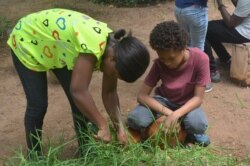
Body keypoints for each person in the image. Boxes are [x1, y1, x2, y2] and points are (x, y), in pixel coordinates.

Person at [7, 8, 150, 155]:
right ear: (112, 59)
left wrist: (120, 128)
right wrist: (102, 125)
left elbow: (110, 92)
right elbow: (78, 91)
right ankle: (34, 157)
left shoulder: (114, 51)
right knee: (38, 105)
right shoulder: (92, 47)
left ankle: (86, 152)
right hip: (28, 39)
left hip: (58, 45)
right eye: (115, 73)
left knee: (80, 104)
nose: (113, 76)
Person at [127, 21, 211, 147]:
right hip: (164, 101)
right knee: (135, 119)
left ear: (183, 48)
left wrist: (177, 114)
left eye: (171, 58)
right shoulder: (159, 64)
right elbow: (142, 96)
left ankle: (186, 129)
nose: (166, 63)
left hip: (187, 104)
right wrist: (169, 113)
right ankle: (165, 121)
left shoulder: (201, 59)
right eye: (162, 58)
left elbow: (198, 98)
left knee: (198, 124)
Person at [204, 0, 250, 83]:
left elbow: (230, 23)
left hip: (244, 33)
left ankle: (212, 69)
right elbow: (242, 8)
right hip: (245, 26)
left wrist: (220, 4)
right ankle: (225, 59)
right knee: (212, 27)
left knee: (205, 29)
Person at [174, 0, 214, 92]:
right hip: (195, 10)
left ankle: (184, 76)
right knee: (198, 47)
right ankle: (202, 81)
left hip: (179, 8)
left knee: (186, 44)